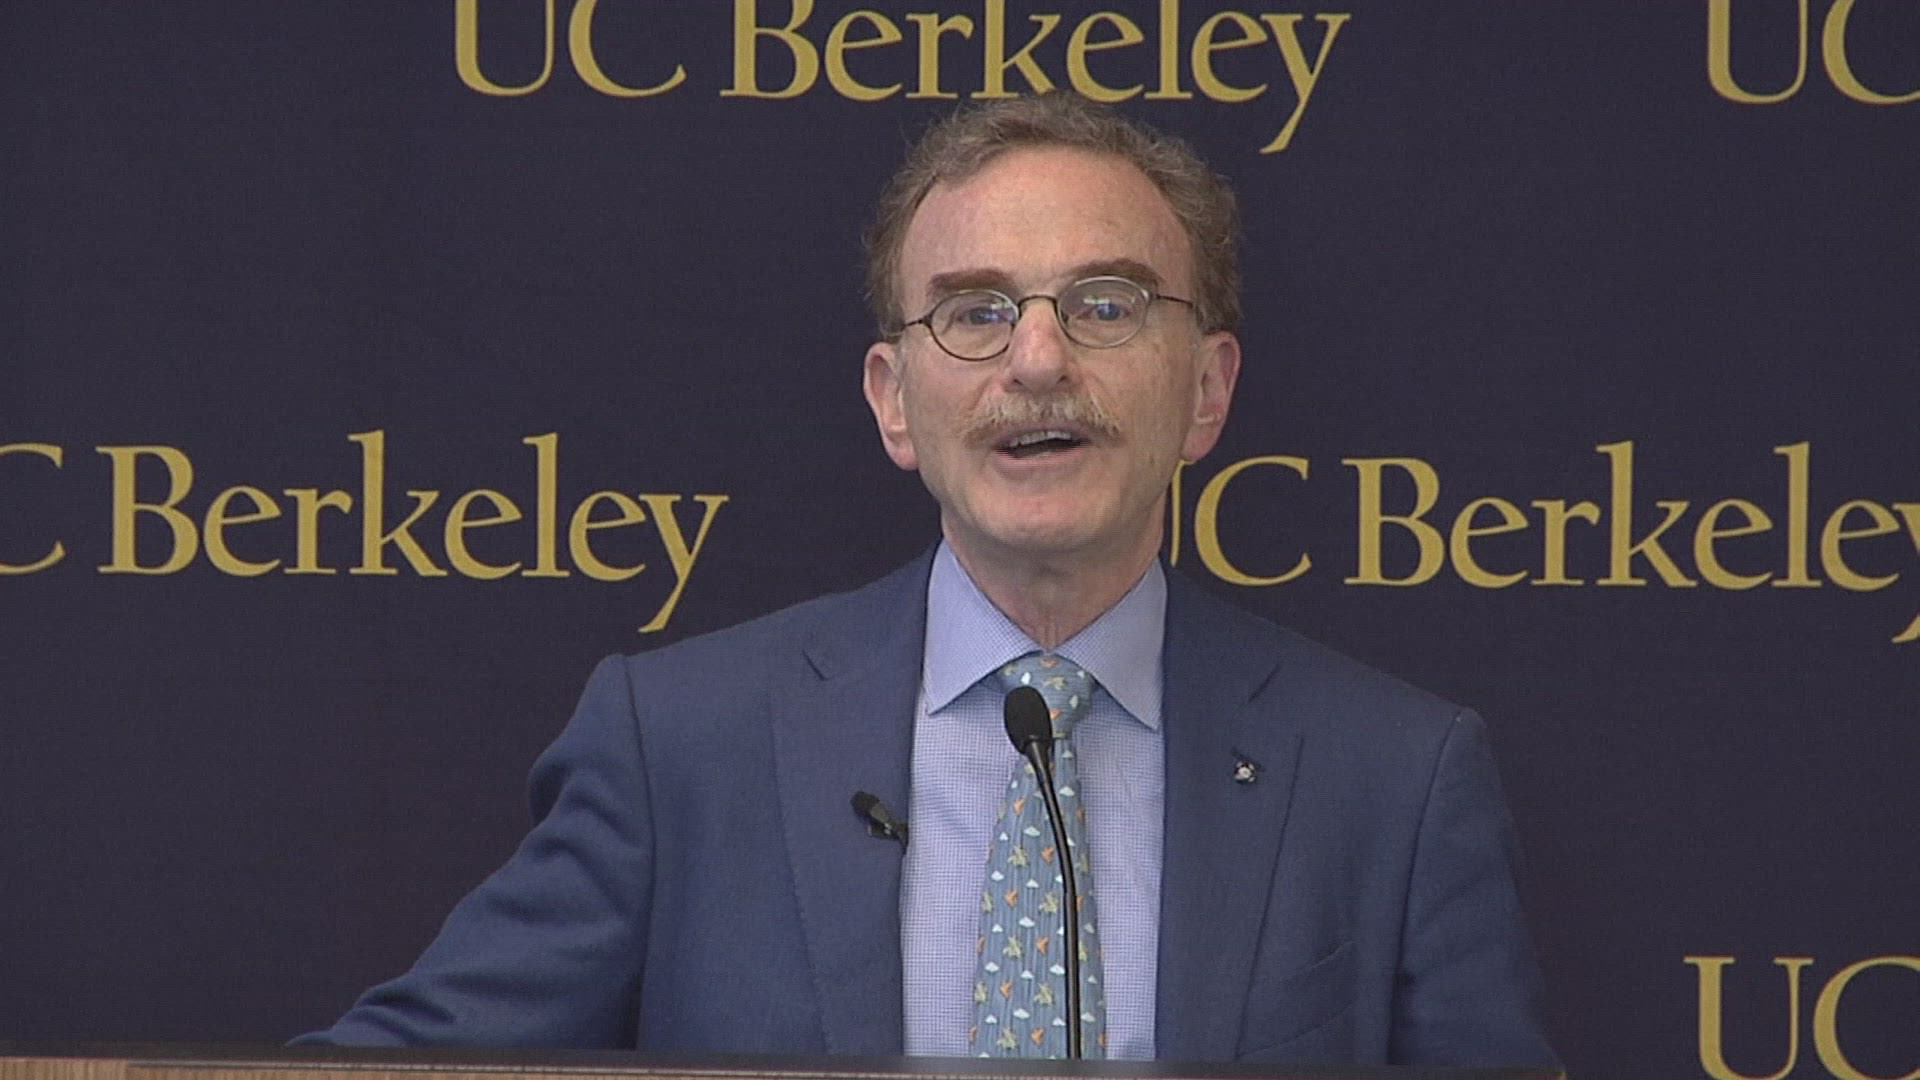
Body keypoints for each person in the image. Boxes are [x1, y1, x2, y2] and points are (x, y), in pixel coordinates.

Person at [299, 93, 1556, 1069]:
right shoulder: (680, 745)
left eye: (1105, 305)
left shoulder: (1395, 779)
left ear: (1207, 391)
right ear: (895, 403)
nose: (1039, 361)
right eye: (975, 312)